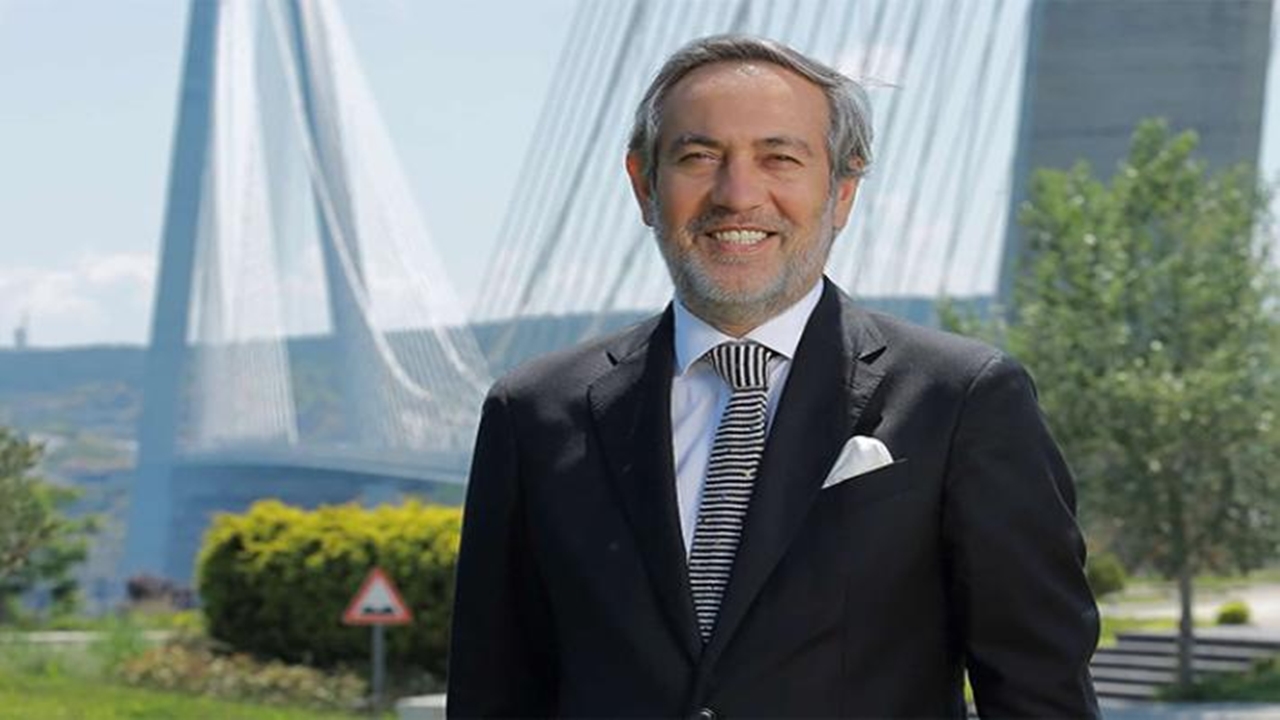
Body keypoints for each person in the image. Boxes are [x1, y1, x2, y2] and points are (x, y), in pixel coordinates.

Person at [447, 34, 1099, 719]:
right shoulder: (533, 414)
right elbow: (493, 695)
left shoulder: (962, 400)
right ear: (644, 185)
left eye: (779, 158)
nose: (737, 195)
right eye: (699, 157)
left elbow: (1041, 697)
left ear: (842, 192)